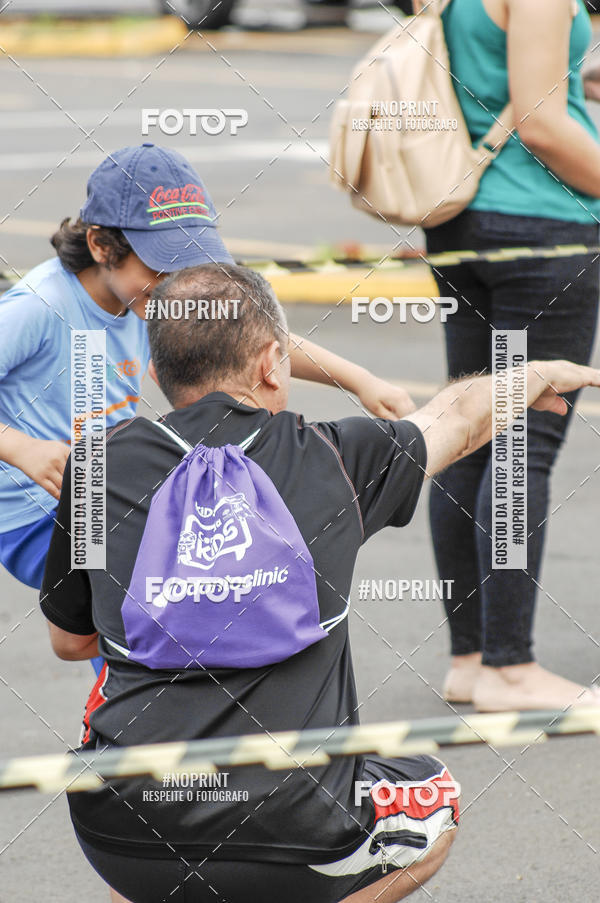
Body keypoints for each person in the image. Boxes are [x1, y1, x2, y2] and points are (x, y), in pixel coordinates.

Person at [39, 263, 600, 903]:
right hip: (292, 831)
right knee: (435, 795)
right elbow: (459, 417)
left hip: (120, 829)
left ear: (159, 369)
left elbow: (70, 640)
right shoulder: (337, 456)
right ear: (272, 362)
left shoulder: (93, 466)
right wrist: (533, 375)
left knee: (158, 853)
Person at [0, 141, 415, 676]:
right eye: (161, 265)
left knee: (184, 589)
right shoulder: (39, 308)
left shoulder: (145, 296)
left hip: (104, 482)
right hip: (36, 505)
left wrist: (359, 380)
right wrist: (22, 448)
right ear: (102, 246)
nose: (175, 285)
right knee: (143, 610)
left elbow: (250, 336)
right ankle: (133, 719)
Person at [419, 0, 600, 710]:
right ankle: (510, 665)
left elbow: (492, 79)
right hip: (542, 227)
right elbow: (542, 124)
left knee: (472, 434)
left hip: (461, 218)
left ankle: (470, 658)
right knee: (523, 440)